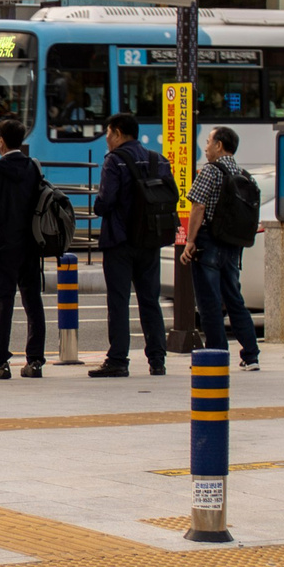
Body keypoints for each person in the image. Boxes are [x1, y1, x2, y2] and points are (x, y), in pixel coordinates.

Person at [91, 112, 170, 378]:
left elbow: (105, 201)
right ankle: (157, 360)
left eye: (108, 133)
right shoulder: (158, 160)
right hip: (150, 238)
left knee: (119, 301)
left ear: (117, 132)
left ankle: (118, 360)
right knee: (150, 300)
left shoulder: (114, 161)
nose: (107, 139)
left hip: (119, 240)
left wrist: (99, 206)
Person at [181, 126, 262, 370]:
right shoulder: (244, 174)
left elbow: (198, 206)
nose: (205, 147)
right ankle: (251, 356)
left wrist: (190, 241)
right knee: (235, 300)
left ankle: (216, 356)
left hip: (209, 243)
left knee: (210, 303)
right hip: (233, 245)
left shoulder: (211, 171)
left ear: (219, 145)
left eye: (208, 142)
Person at [0, 117, 49, 379]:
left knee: (4, 302)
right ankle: (35, 361)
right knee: (33, 301)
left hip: (5, 242)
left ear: (0, 140)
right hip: (31, 242)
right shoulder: (33, 166)